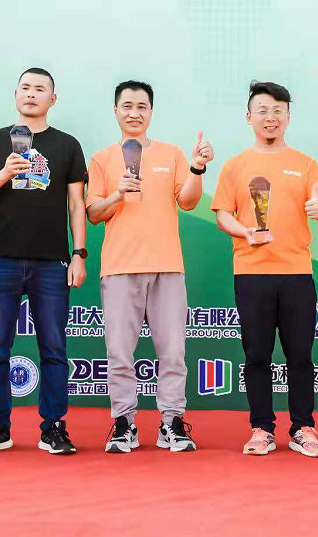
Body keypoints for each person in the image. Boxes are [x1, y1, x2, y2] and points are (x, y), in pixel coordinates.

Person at [86, 80, 214, 453]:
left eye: (142, 106)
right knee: (119, 353)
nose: (134, 113)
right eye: (127, 106)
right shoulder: (102, 158)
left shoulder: (172, 154)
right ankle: (123, 423)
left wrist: (197, 168)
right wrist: (117, 193)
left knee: (173, 352)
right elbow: (94, 213)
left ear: (151, 112)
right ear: (115, 111)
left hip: (167, 266)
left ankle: (172, 422)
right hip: (119, 267)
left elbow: (188, 201)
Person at [0, 67, 87, 455]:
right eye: (25, 87)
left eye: (40, 89)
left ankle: (53, 427)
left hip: (51, 262)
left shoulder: (67, 145)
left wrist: (78, 254)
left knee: (53, 348)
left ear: (53, 99)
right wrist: (5, 172)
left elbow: (76, 205)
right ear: (15, 95)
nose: (31, 94)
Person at [211, 81, 318, 457]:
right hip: (251, 272)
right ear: (249, 117)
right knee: (257, 356)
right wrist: (244, 231)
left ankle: (303, 427)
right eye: (262, 110)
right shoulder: (235, 166)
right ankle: (261, 428)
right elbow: (223, 214)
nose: (271, 117)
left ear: (288, 117)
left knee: (300, 356)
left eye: (278, 110)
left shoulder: (306, 164)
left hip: (296, 272)